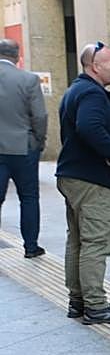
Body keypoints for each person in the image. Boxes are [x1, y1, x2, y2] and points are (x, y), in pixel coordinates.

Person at [55, 42, 110, 323]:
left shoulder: (76, 89)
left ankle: (78, 301)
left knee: (77, 240)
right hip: (91, 180)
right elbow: (89, 127)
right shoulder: (91, 93)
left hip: (74, 176)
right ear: (95, 67)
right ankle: (96, 305)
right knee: (96, 241)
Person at [0, 38, 47, 258]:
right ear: (17, 56)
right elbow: (40, 115)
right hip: (23, 147)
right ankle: (31, 246)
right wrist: (39, 141)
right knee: (28, 197)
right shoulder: (28, 79)